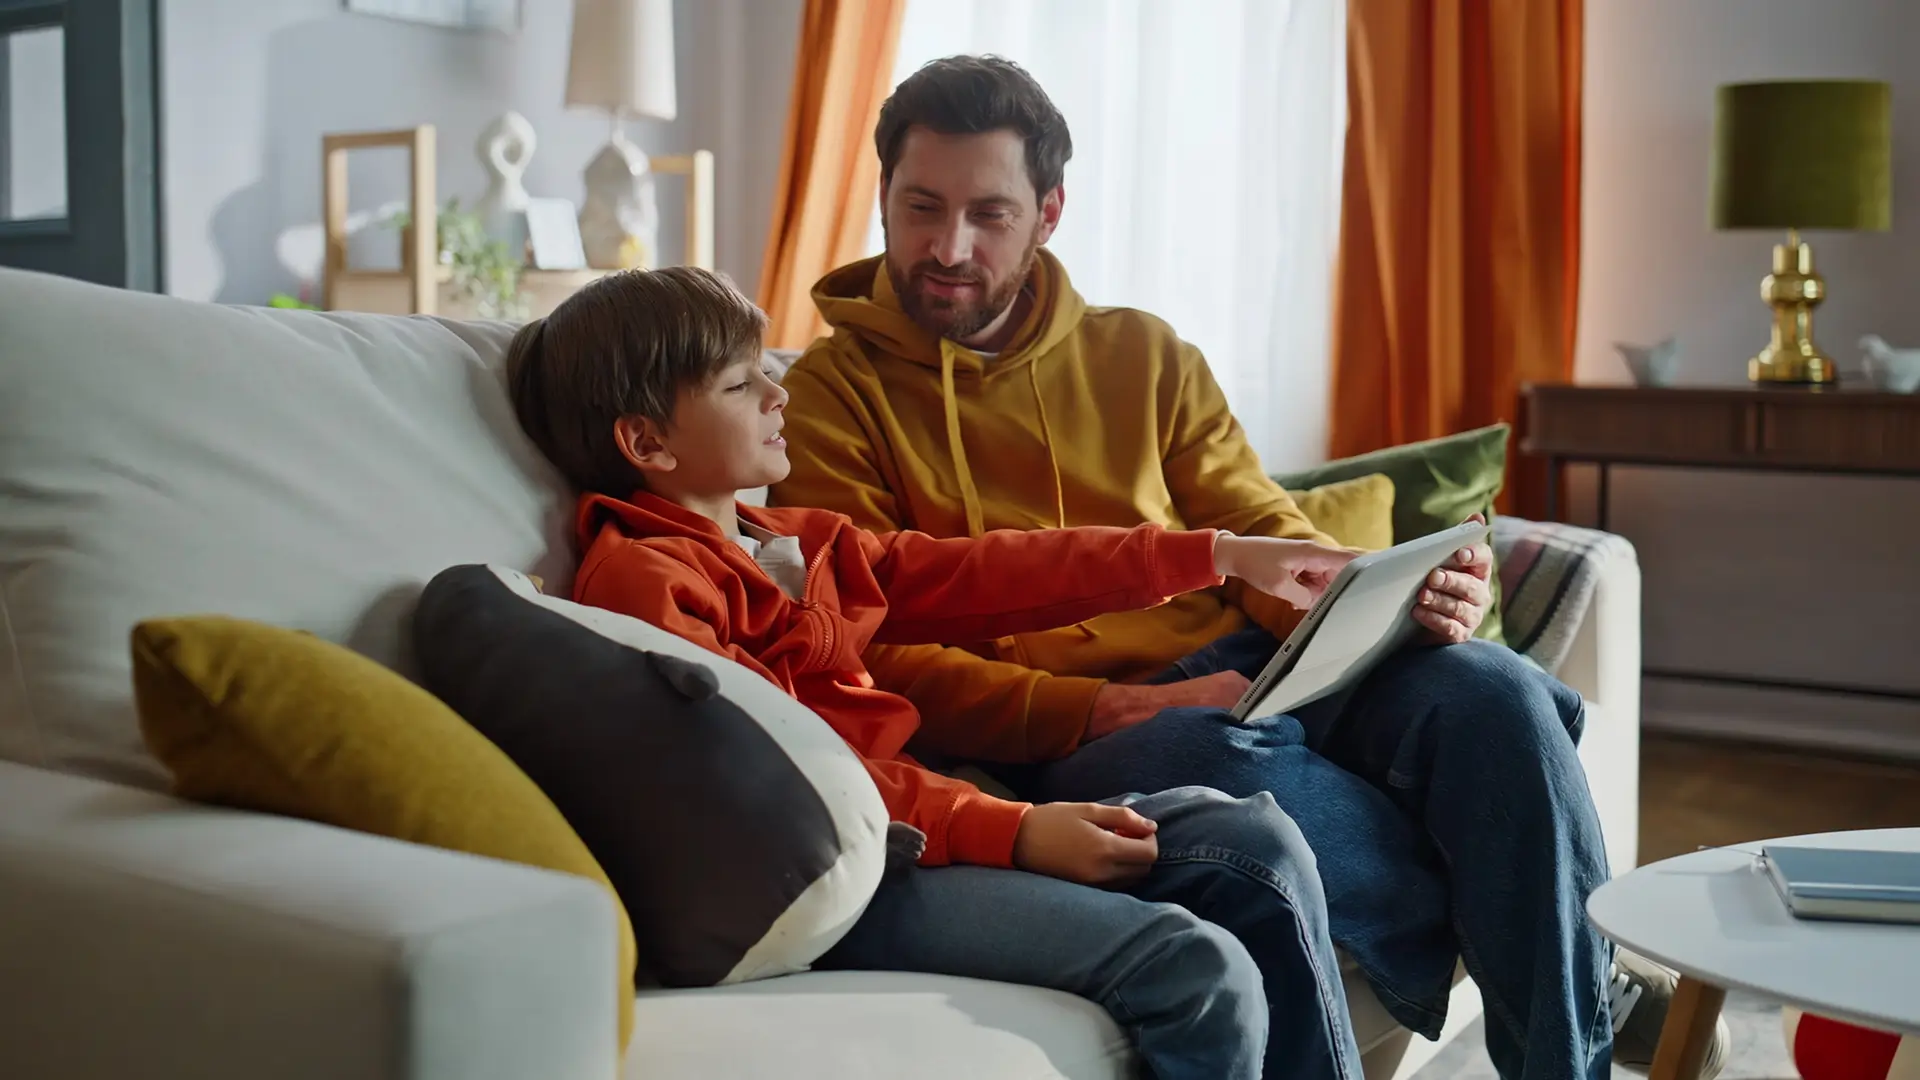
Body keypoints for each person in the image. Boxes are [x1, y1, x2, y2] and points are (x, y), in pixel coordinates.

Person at [769, 55, 1728, 1080]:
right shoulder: (826, 400)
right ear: (880, 198)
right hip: (1054, 728)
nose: (947, 248)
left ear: (1050, 212)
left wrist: (1386, 596)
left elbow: (1265, 537)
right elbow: (871, 651)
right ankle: (1562, 952)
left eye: (987, 214)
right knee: (1238, 774)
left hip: (1243, 667)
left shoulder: (1145, 355)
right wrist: (1094, 711)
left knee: (1494, 696)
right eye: (920, 207)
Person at [504, 263, 1416, 1080]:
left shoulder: (792, 541)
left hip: (908, 831)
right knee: (1196, 967)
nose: (779, 391)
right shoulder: (644, 583)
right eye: (743, 383)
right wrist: (1009, 828)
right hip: (836, 878)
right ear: (648, 446)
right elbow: (783, 784)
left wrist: (1216, 553)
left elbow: (991, 570)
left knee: (1249, 836)